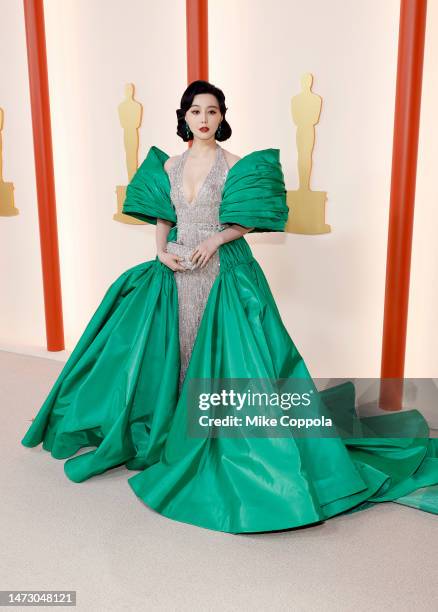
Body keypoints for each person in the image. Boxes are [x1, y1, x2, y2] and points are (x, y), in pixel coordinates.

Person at [21, 80, 438, 533]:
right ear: (184, 117)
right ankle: (176, 428)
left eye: (213, 111)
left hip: (223, 271)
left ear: (222, 117)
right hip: (176, 272)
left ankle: (222, 437)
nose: (204, 119)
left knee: (227, 359)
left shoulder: (237, 165)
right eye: (196, 111)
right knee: (177, 352)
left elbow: (245, 220)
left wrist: (216, 239)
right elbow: (164, 217)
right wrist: (161, 252)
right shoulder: (170, 165)